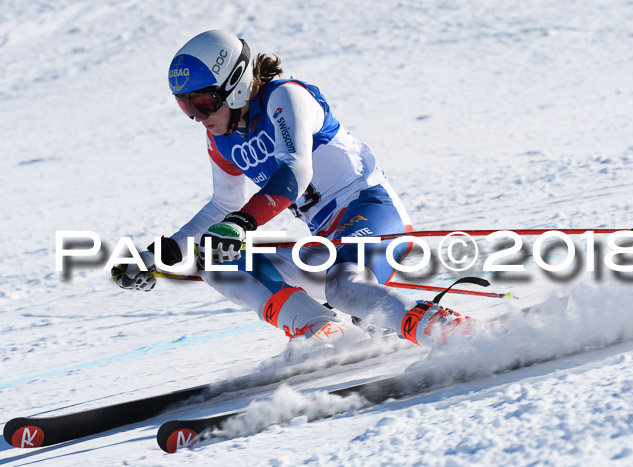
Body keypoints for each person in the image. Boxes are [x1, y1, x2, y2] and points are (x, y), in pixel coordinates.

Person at [112, 30, 471, 353]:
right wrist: (160, 253)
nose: (197, 117)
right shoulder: (220, 138)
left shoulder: (284, 97)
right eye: (185, 106)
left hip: (370, 210)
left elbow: (295, 170)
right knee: (215, 261)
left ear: (235, 84)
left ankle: (449, 331)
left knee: (344, 288)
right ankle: (324, 336)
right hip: (326, 243)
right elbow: (223, 204)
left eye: (202, 103)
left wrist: (240, 224)